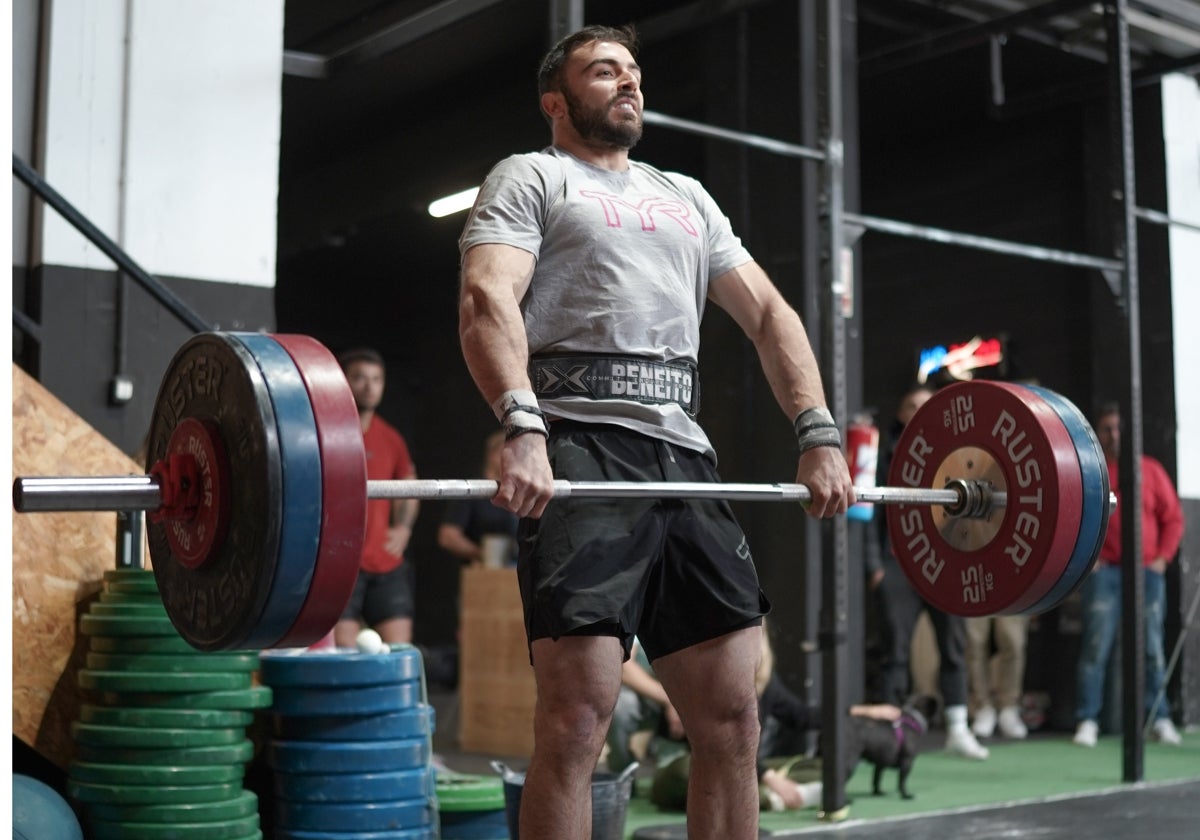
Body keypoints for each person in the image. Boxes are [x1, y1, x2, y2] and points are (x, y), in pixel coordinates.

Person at [456, 24, 855, 840]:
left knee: (733, 722)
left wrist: (817, 432)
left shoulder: (687, 196)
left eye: (633, 72)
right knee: (575, 724)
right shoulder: (532, 176)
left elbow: (771, 314)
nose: (628, 83)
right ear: (556, 102)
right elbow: (486, 297)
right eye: (604, 72)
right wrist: (521, 425)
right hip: (581, 453)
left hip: (686, 462)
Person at [872, 384, 990, 760]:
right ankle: (890, 733)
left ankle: (958, 727)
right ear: (901, 413)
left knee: (954, 648)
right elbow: (866, 511)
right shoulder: (882, 454)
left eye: (926, 406)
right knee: (895, 653)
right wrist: (873, 567)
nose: (918, 411)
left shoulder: (955, 452)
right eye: (911, 405)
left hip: (945, 566)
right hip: (897, 566)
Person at [1073, 403, 1185, 747]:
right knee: (1096, 647)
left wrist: (1163, 559)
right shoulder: (1091, 472)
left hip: (1147, 574)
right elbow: (1074, 520)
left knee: (1151, 647)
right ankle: (1088, 720)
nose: (1114, 435)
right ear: (1098, 434)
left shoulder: (1150, 470)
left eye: (1119, 428)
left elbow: (1174, 519)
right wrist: (1085, 559)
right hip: (1105, 573)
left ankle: (1159, 718)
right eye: (1107, 429)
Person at [333, 348, 420, 648]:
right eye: (359, 378)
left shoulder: (391, 438)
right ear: (342, 381)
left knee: (399, 652)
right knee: (342, 657)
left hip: (385, 566)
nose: (369, 386)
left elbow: (410, 486)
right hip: (340, 565)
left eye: (376, 379)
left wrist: (403, 529)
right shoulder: (325, 433)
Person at [604, 637, 688, 776]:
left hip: (691, 696)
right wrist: (670, 700)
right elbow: (624, 666)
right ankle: (623, 775)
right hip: (650, 697)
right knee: (618, 704)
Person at [438, 430, 520, 567]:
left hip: (518, 569)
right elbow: (448, 536)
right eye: (510, 453)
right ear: (492, 455)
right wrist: (482, 553)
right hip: (484, 572)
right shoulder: (472, 491)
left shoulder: (519, 491)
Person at [965, 614, 1030, 739]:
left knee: (1013, 641)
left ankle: (1009, 707)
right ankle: (982, 707)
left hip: (1010, 594)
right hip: (976, 595)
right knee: (974, 643)